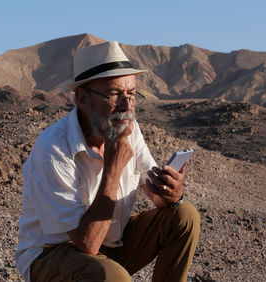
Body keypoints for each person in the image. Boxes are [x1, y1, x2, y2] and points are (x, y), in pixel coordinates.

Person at [16, 41, 200, 282]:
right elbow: (87, 244)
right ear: (82, 98)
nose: (127, 106)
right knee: (113, 276)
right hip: (53, 254)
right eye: (114, 94)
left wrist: (171, 192)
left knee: (184, 216)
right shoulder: (53, 150)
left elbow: (154, 193)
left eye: (132, 94)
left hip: (110, 243)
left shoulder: (127, 130)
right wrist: (112, 171)